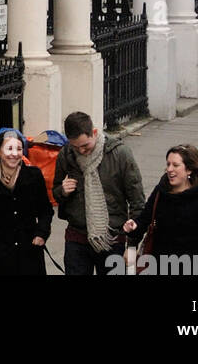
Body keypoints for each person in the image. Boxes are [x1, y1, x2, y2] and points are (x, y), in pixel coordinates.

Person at [52, 111, 145, 275]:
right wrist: (62, 191)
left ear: (94, 133)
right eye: (75, 147)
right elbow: (56, 192)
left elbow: (137, 203)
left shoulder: (120, 154)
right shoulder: (66, 155)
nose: (81, 151)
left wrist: (131, 246)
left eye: (85, 145)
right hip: (77, 237)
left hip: (113, 238)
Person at [0, 129, 52, 275]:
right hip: (0, 256)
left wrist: (41, 234)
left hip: (30, 252)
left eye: (19, 149)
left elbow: (45, 209)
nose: (14, 154)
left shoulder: (34, 176)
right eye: (9, 149)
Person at [125, 145, 198, 275]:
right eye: (168, 164)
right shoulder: (161, 192)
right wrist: (134, 226)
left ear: (189, 170)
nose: (169, 169)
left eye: (175, 165)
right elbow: (144, 219)